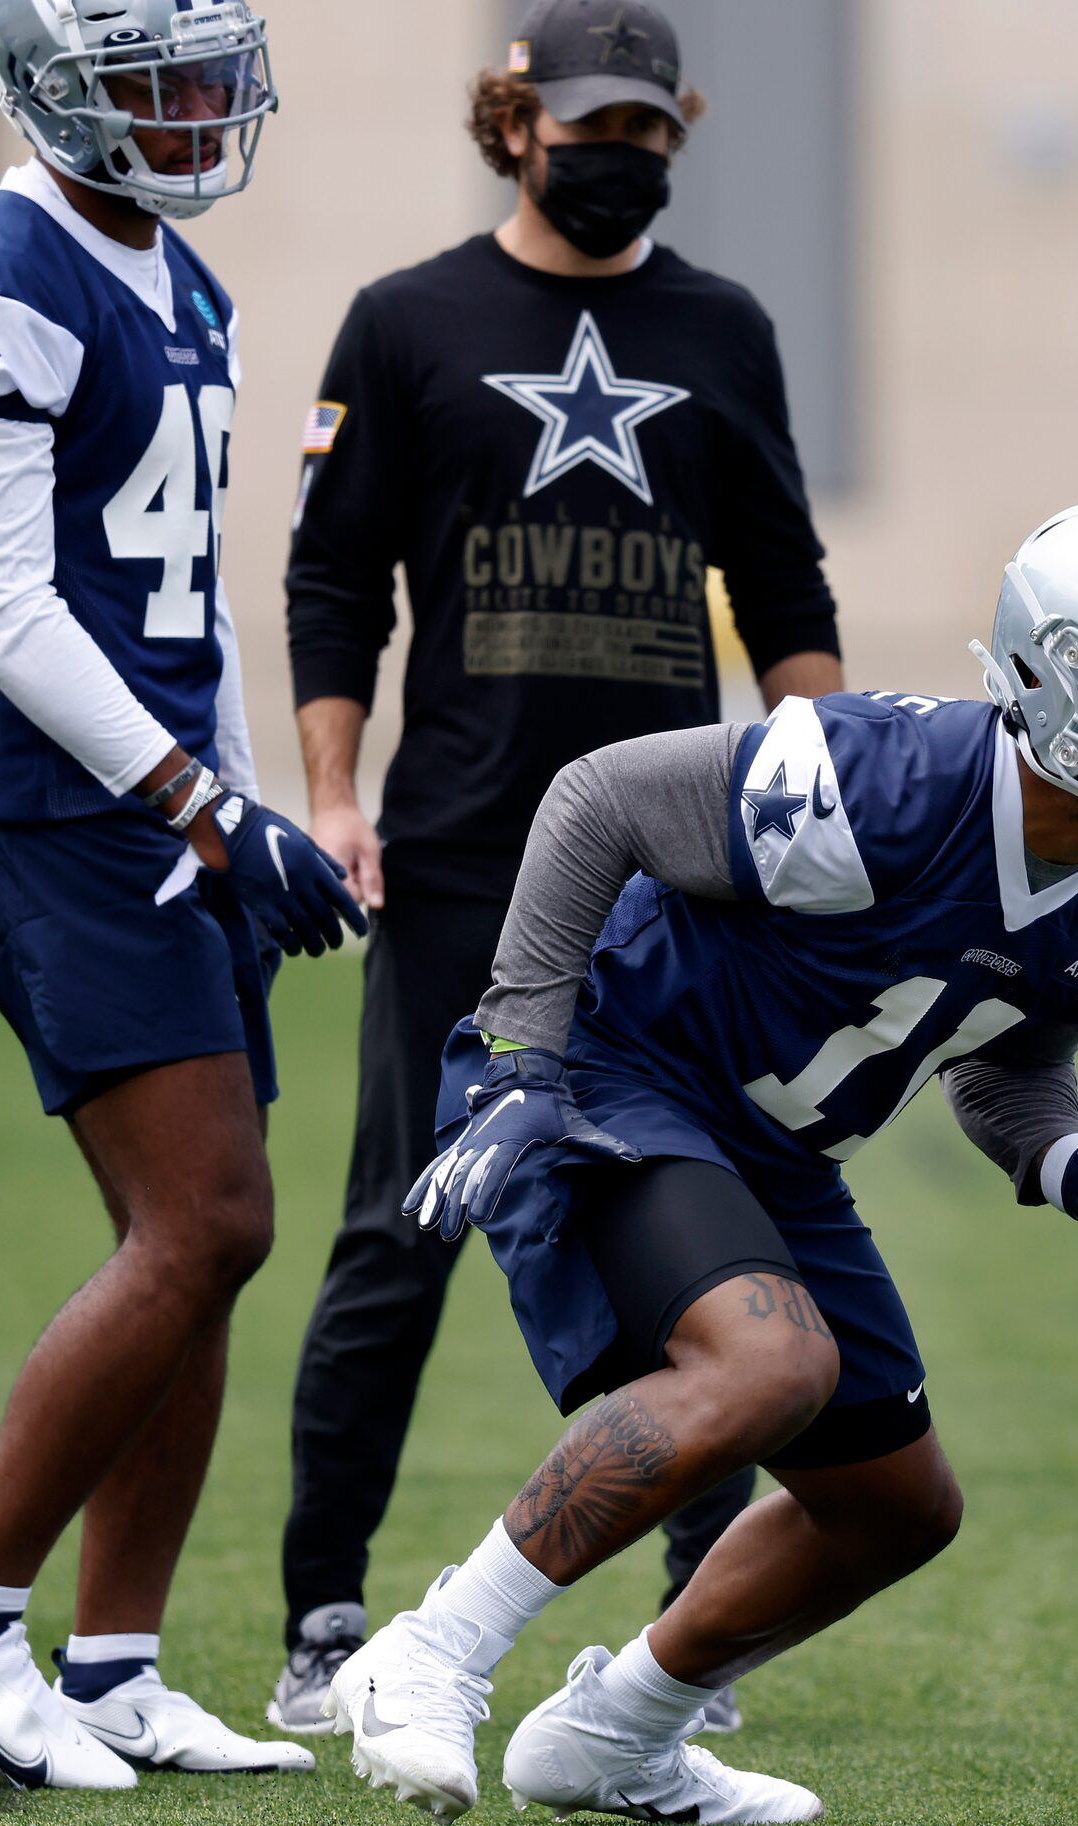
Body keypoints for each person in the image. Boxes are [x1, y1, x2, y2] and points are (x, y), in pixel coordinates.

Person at [314, 497, 1078, 1825]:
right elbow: (596, 799)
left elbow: (1005, 1063)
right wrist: (521, 1056)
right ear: (1047, 671)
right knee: (769, 1364)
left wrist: (1072, 1164)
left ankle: (619, 1734)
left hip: (769, 1146)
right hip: (622, 1064)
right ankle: (429, 1653)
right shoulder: (884, 783)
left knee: (898, 1505)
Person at [268, 0, 843, 1737]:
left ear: (680, 131)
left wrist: (813, 799)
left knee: (682, 1239)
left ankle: (690, 1635)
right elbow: (329, 580)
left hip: (670, 889)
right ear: (511, 118)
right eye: (587, 123)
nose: (618, 154)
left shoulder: (721, 330)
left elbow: (789, 593)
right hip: (453, 861)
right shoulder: (407, 321)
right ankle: (320, 1620)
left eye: (649, 130)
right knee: (396, 1235)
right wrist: (333, 796)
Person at [0, 0, 363, 1791]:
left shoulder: (183, 279)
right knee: (205, 1218)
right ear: (56, 86)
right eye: (156, 79)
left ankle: (115, 1661)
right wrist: (199, 803)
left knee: (212, 1242)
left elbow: (192, 598)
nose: (200, 109)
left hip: (160, 811)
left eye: (211, 71)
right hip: (45, 816)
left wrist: (252, 804)